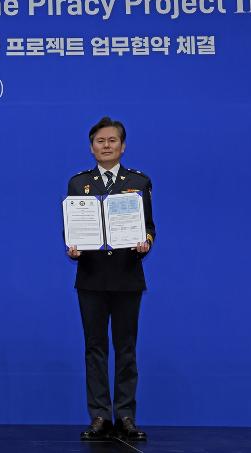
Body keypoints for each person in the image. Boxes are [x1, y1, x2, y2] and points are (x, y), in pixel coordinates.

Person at [66, 117, 155, 441]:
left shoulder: (138, 182)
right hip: (90, 278)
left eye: (112, 140)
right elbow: (71, 226)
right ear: (91, 147)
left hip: (127, 277)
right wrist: (72, 247)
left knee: (126, 348)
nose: (106, 145)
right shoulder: (78, 183)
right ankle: (100, 415)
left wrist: (145, 242)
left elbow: (149, 226)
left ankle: (127, 415)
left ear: (123, 145)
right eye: (100, 141)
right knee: (95, 348)